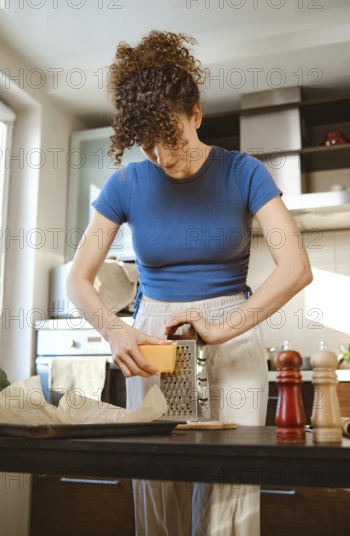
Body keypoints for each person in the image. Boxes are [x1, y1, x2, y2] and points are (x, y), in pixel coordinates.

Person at [66, 30, 313, 536]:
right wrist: (115, 331)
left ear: (196, 115)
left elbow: (296, 268)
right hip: (154, 339)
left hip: (234, 333)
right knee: (158, 492)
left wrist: (221, 329)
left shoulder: (245, 173)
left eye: (171, 138)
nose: (162, 156)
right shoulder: (126, 184)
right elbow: (78, 279)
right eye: (146, 144)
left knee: (229, 497)